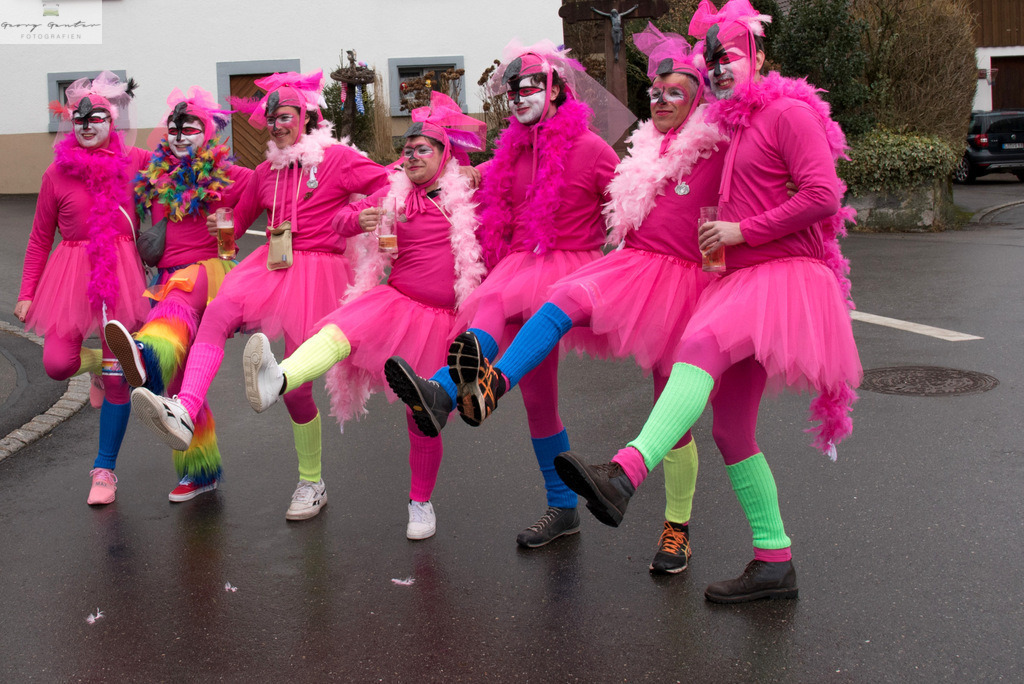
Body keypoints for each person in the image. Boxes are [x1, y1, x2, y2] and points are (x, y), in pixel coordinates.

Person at [554, 0, 862, 603]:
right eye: (712, 59)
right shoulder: (734, 128)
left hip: (781, 277)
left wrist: (742, 233)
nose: (720, 68)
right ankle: (775, 561)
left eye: (732, 57)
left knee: (697, 344)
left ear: (761, 58)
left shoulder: (788, 115)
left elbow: (825, 194)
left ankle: (625, 471)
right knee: (732, 432)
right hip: (741, 279)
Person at [439, 24, 730, 573]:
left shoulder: (710, 146)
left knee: (673, 412)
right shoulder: (644, 146)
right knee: (543, 373)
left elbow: (754, 188)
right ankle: (490, 397)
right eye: (655, 91)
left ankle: (676, 529)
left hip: (686, 288)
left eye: (676, 92)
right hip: (621, 273)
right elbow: (625, 201)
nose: (662, 100)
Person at [385, 40, 624, 548]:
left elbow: (629, 204)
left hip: (567, 270)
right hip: (519, 267)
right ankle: (563, 509)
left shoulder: (592, 149)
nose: (518, 97)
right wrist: (468, 173)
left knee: (499, 317)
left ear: (556, 91)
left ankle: (445, 393)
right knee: (539, 399)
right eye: (511, 90)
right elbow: (483, 184)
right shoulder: (512, 151)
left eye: (530, 86)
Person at [130, 71, 389, 520]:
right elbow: (236, 213)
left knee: (295, 390)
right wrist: (217, 223)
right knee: (218, 313)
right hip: (270, 266)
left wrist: (359, 211)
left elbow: (385, 183)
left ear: (304, 118)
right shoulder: (266, 171)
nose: (277, 126)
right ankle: (185, 409)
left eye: (285, 117)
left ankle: (312, 482)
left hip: (319, 274)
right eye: (271, 120)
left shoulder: (336, 158)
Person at [243, 92, 487, 539]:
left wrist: (479, 173)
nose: (411, 156)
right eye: (406, 150)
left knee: (421, 413)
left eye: (422, 149)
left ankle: (421, 503)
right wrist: (363, 219)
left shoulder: (467, 197)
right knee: (341, 328)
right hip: (395, 303)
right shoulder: (393, 194)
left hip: (444, 319)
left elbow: (503, 198)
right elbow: (340, 219)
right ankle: (278, 378)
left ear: (444, 155)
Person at [103, 86, 253, 502]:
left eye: (190, 128)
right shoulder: (155, 172)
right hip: (166, 274)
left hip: (208, 272)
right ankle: (201, 472)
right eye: (174, 127)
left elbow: (263, 185)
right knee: (183, 383)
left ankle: (146, 355)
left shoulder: (223, 173)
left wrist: (235, 224)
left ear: (206, 133)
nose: (180, 134)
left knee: (175, 303)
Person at [15, 71, 150, 505]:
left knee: (118, 380)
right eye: (79, 118)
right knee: (56, 364)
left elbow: (179, 175)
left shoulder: (136, 163)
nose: (87, 124)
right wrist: (26, 292)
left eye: (96, 117)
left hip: (122, 275)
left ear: (112, 121)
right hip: (70, 274)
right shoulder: (57, 174)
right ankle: (93, 365)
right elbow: (40, 237)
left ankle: (104, 470)